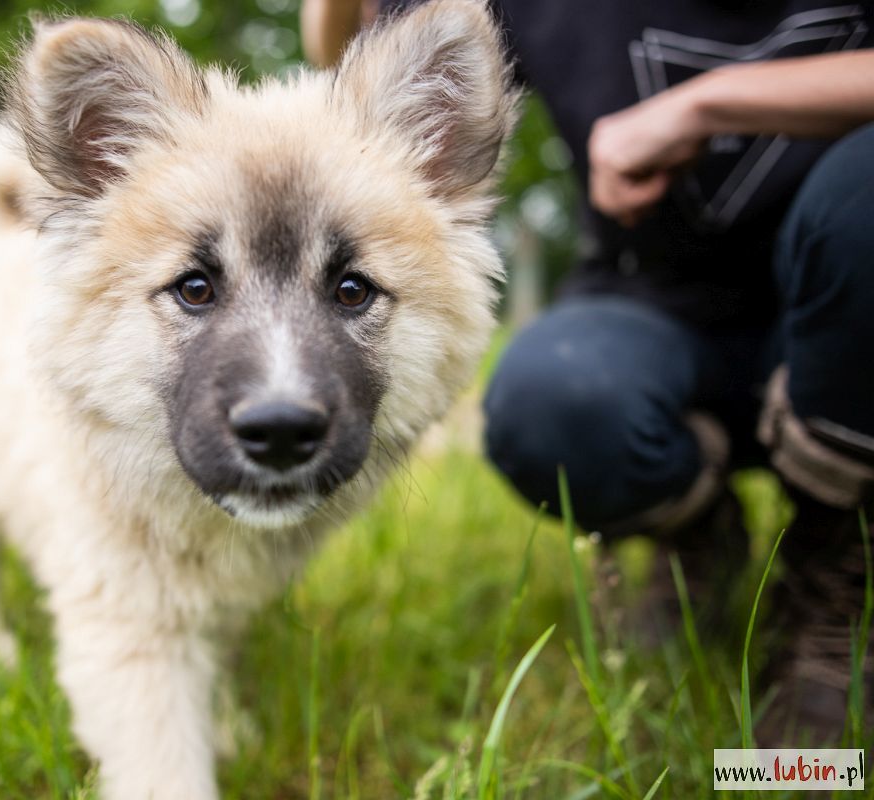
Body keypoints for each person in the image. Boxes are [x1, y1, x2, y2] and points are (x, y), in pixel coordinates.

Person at [302, 0, 874, 743]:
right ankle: (698, 531)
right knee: (550, 403)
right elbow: (347, 47)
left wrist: (704, 104)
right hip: (654, 301)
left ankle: (836, 575)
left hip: (848, 308)